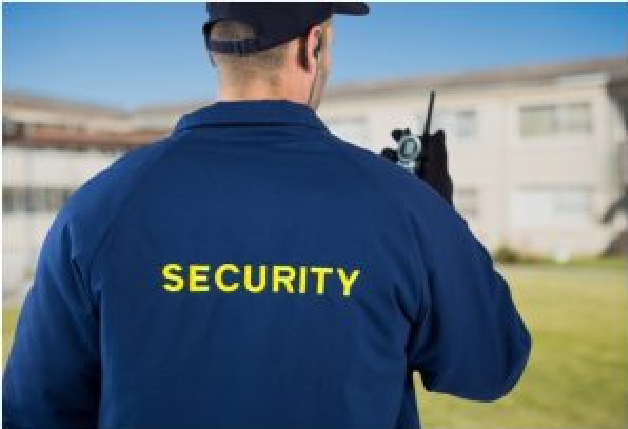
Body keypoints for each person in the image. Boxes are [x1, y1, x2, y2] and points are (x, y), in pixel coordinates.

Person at [2, 3, 531, 428]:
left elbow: (33, 409)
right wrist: (443, 217)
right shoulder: (406, 208)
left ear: (213, 50)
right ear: (314, 45)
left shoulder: (100, 206)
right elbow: (491, 366)